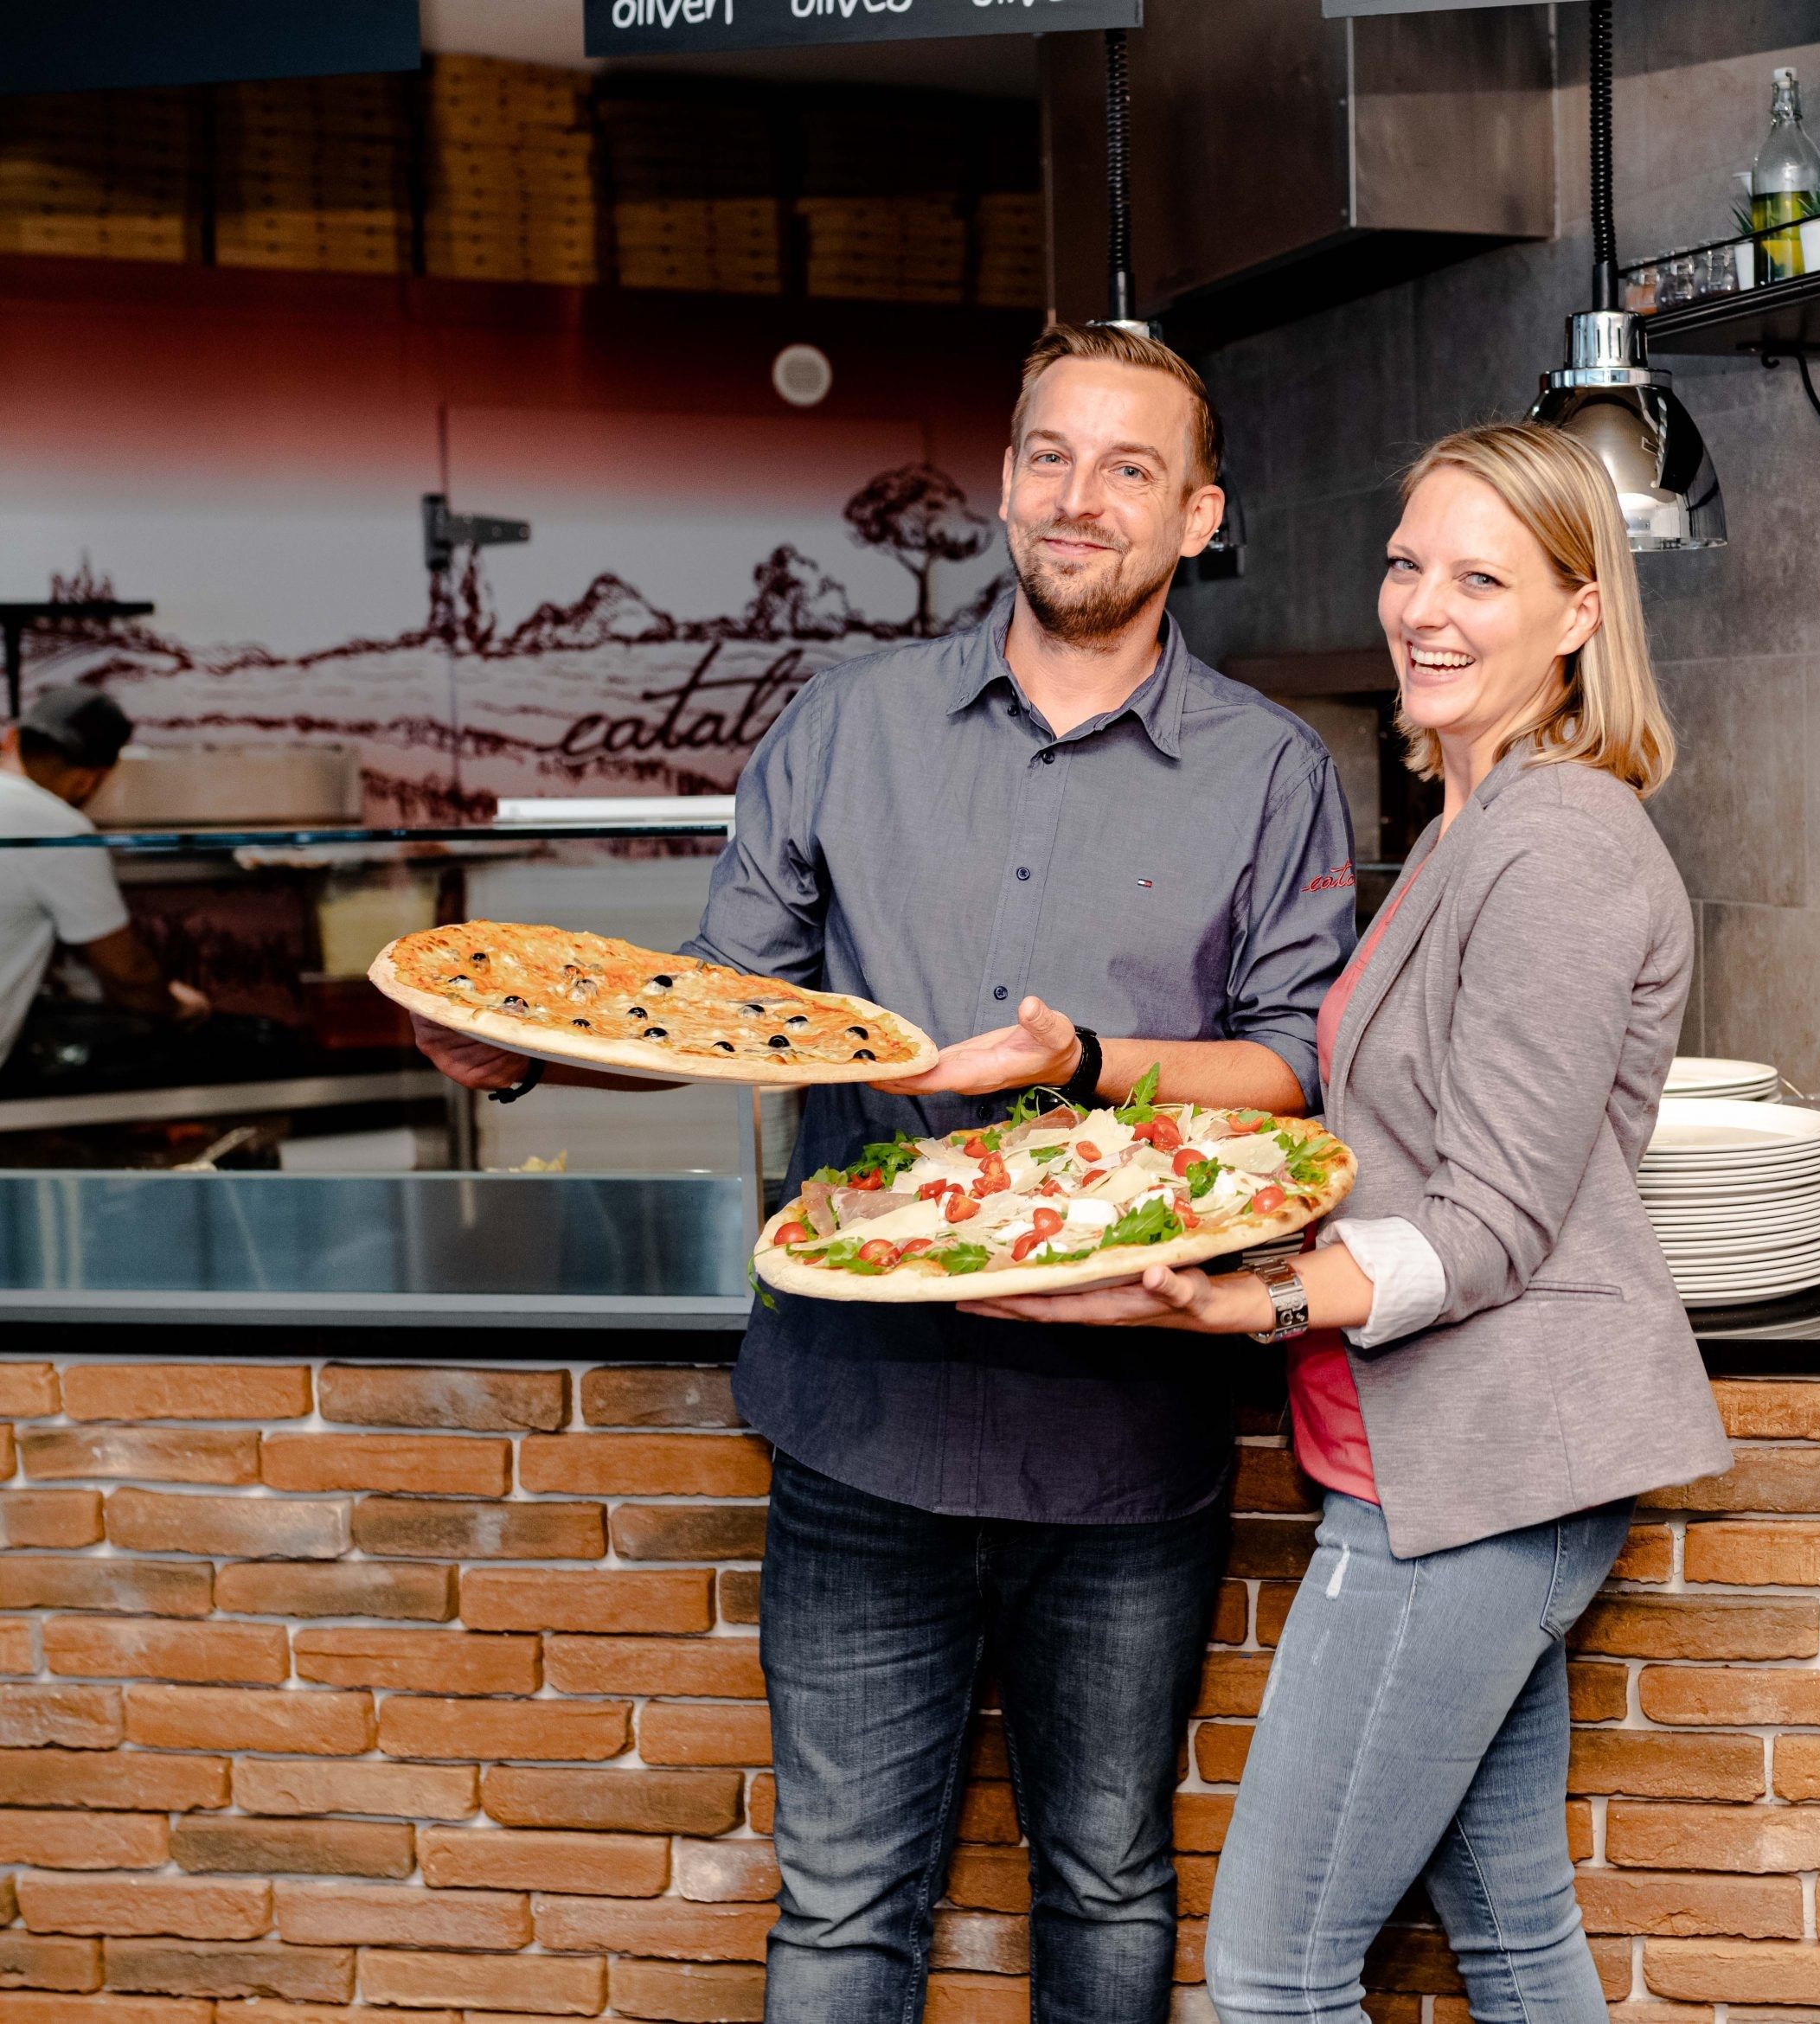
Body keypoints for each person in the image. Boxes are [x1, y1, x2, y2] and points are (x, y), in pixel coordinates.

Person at [410, 323, 1357, 2024]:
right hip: (862, 1423)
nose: (1079, 499)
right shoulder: (846, 724)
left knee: (1107, 1881)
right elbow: (727, 1009)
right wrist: (530, 1047)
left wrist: (1079, 1063)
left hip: (1123, 1440)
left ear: (1198, 516)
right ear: (1004, 481)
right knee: (842, 1910)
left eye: (1129, 468)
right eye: (1050, 457)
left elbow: (1291, 1065)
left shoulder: (1270, 769)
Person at [964, 422, 1734, 2023]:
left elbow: (1492, 1223)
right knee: (1510, 1930)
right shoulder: (1472, 823)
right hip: (1441, 1464)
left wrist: (1236, 1305)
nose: (1424, 610)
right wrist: (1137, 1175)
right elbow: (1379, 1144)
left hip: (1479, 1479)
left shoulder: (1559, 846)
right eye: (1406, 565)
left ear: (1582, 611)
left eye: (1481, 579)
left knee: (1274, 1970)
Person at [0, 683, 208, 1067]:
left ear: (10, 740)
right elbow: (127, 974)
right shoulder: (58, 829)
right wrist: (178, 1006)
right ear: (89, 780)